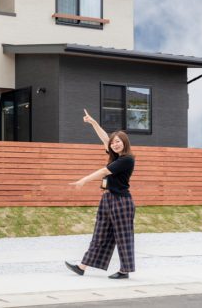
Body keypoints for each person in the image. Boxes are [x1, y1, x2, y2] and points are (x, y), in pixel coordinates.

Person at [65, 109, 136, 280]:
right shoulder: (115, 156)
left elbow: (104, 171)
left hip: (121, 201)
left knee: (123, 237)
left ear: (125, 143)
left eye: (118, 142)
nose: (114, 144)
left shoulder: (127, 159)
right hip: (107, 199)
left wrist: (83, 180)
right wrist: (93, 122)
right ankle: (82, 266)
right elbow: (105, 138)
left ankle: (125, 270)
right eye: (113, 143)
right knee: (100, 234)